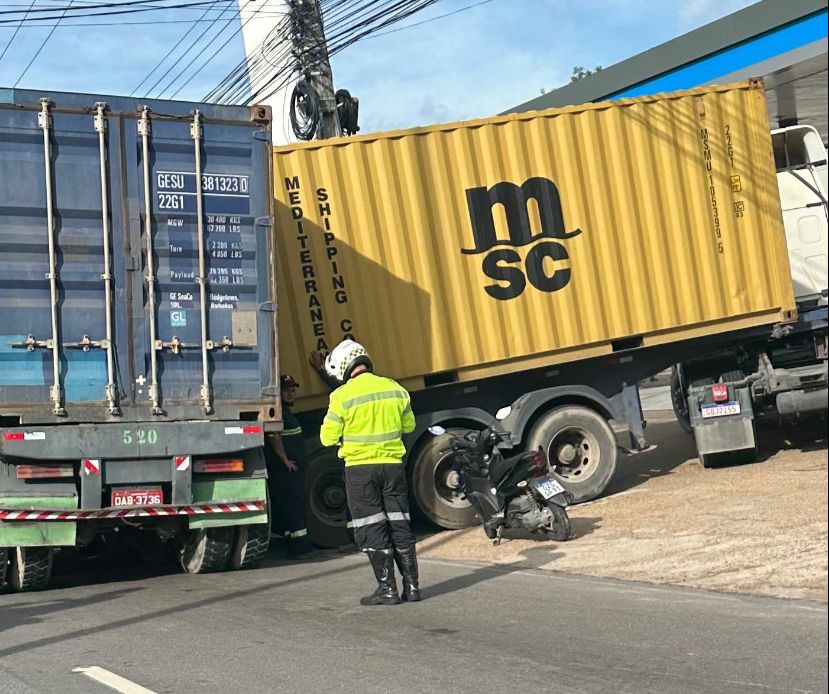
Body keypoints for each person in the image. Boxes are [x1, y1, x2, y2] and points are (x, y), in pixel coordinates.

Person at [320, 339, 421, 605]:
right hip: (393, 468)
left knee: (371, 527)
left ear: (343, 366)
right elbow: (409, 426)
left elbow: (326, 439)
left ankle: (387, 590)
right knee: (400, 523)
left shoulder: (340, 396)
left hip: (360, 471)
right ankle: (412, 587)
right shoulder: (395, 389)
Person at [266, 374, 316, 559]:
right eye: (286, 390)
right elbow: (274, 436)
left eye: (292, 390)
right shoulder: (278, 411)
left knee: (295, 505)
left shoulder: (286, 411)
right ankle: (300, 548)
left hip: (293, 469)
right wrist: (285, 460)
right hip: (287, 471)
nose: (290, 394)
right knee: (294, 506)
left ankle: (298, 543)